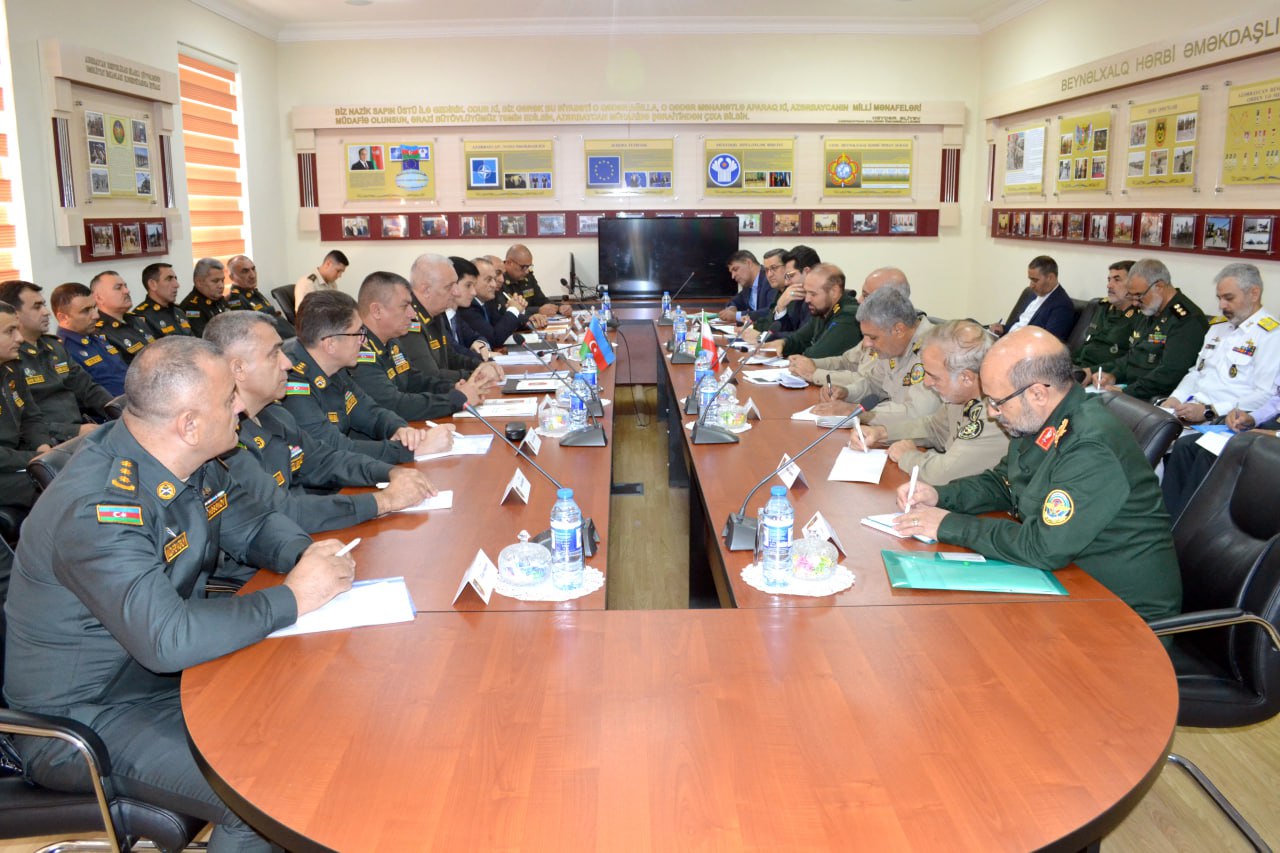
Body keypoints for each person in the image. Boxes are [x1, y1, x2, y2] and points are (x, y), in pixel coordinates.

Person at [3, 336, 355, 853]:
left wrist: (307, 557)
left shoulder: (185, 457)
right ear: (188, 424)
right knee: (263, 791)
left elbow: (254, 524)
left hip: (157, 682)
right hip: (84, 720)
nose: (241, 408)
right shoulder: (99, 508)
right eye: (229, 398)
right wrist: (294, 598)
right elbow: (166, 639)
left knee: (312, 711)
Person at [892, 327, 1182, 622]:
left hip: (1121, 613)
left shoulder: (1090, 445)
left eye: (997, 402)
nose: (991, 413)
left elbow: (1043, 546)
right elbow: (1003, 483)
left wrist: (948, 524)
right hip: (1070, 581)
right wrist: (940, 496)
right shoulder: (1039, 420)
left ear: (1038, 393)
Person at [203, 311, 438, 536]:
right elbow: (283, 511)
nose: (287, 363)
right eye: (274, 354)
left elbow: (326, 460)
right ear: (238, 369)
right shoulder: (225, 443)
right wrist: (384, 501)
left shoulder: (274, 415)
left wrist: (391, 472)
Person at [280, 289, 439, 463]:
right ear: (330, 344)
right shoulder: (292, 383)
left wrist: (399, 429)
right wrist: (408, 451)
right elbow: (333, 448)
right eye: (357, 333)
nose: (363, 340)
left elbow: (369, 412)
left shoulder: (334, 367)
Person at [849, 320, 1007, 485]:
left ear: (966, 378)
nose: (927, 382)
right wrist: (881, 433)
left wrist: (908, 456)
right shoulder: (960, 397)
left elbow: (943, 474)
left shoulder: (994, 414)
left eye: (934, 376)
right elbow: (934, 428)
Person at [349, 270, 494, 420]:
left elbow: (415, 381)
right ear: (377, 311)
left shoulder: (392, 342)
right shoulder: (358, 351)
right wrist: (455, 399)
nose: (412, 314)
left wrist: (455, 389)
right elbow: (395, 405)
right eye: (404, 306)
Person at [1160, 263, 1279, 424]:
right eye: (1219, 298)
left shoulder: (1271, 335)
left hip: (1225, 419)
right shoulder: (1218, 328)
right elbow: (1196, 372)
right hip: (1190, 409)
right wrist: (1176, 398)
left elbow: (1265, 395)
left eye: (1229, 298)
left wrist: (1211, 410)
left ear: (1254, 294)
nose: (1221, 305)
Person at [0, 280, 115, 441]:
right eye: (37, 307)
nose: (46, 312)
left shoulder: (54, 346)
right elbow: (24, 422)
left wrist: (118, 410)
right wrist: (73, 431)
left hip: (79, 432)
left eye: (44, 305)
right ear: (15, 313)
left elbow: (88, 389)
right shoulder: (9, 358)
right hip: (47, 439)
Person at [808, 286, 940, 424]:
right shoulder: (893, 345)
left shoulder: (936, 349)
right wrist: (846, 392)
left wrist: (853, 412)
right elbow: (874, 384)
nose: (866, 344)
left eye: (873, 337)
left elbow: (916, 413)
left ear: (898, 330)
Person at [1085, 258, 1208, 401]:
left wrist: (1126, 392)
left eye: (1139, 295)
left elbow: (1170, 374)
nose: (1135, 303)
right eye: (1131, 296)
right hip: (1130, 389)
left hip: (1153, 397)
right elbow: (1133, 356)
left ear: (1159, 286)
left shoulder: (1186, 320)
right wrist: (1113, 375)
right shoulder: (1150, 309)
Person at [1161, 383, 1280, 520]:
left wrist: (1275, 434)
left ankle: (1188, 524)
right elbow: (1277, 401)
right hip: (1271, 426)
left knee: (1211, 454)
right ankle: (1164, 521)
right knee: (1187, 446)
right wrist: (1252, 418)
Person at [790, 266, 912, 391]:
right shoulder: (875, 326)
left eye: (866, 296)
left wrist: (814, 374)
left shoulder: (895, 335)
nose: (859, 300)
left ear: (892, 300)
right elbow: (847, 361)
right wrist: (810, 363)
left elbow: (867, 381)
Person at [0, 301, 52, 514]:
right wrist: (33, 458)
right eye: (10, 331)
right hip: (7, 468)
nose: (20, 338)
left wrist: (43, 447)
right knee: (55, 488)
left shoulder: (12, 368)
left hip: (16, 459)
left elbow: (31, 417)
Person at [52, 282, 128, 397]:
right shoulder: (62, 350)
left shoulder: (96, 337)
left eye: (94, 308)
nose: (96, 316)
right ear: (63, 318)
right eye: (86, 310)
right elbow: (85, 395)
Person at [771, 263, 861, 359]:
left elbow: (817, 354)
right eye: (806, 292)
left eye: (813, 294)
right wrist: (783, 343)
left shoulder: (848, 316)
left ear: (834, 292)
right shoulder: (822, 310)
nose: (807, 299)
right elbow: (799, 339)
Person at [1072, 260, 1138, 371]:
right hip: (1080, 368)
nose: (1109, 285)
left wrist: (1090, 372)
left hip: (1104, 375)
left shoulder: (1140, 317)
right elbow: (1086, 345)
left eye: (1117, 280)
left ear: (1134, 284)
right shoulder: (1102, 307)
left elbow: (1131, 361)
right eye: (1109, 280)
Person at [990, 255, 1075, 341]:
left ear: (1050, 278)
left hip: (1021, 346)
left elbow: (1048, 342)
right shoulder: (1031, 294)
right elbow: (1021, 323)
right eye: (1030, 280)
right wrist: (1003, 329)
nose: (1031, 285)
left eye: (1035, 280)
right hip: (1007, 340)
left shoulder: (1062, 305)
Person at [460, 254, 534, 347]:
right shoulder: (467, 307)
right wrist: (513, 310)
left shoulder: (487, 302)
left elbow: (502, 327)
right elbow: (494, 339)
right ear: (473, 281)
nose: (494, 285)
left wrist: (519, 309)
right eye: (488, 280)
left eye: (494, 279)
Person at [745, 245, 817, 339]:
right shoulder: (794, 293)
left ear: (807, 272)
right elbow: (785, 328)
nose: (786, 282)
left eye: (791, 276)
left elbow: (802, 338)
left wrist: (762, 337)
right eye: (766, 270)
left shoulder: (815, 300)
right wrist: (781, 307)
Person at [89, 270, 154, 362]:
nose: (127, 291)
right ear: (99, 298)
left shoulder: (136, 319)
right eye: (118, 288)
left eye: (125, 286)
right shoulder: (99, 332)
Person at [226, 254, 295, 338]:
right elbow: (247, 333)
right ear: (232, 277)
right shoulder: (235, 299)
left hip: (290, 334)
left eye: (253, 269)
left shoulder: (253, 292)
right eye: (245, 271)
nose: (252, 275)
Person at [503, 243, 570, 317]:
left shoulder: (528, 277)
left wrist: (559, 308)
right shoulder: (499, 280)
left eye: (529, 267)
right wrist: (538, 310)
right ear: (509, 263)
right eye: (524, 267)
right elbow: (504, 311)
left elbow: (542, 301)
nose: (527, 271)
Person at [131, 262, 193, 338]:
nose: (177, 285)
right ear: (153, 284)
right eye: (169, 279)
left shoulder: (178, 311)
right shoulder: (141, 318)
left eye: (175, 279)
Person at [178, 257, 230, 337]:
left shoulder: (220, 300)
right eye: (215, 281)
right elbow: (202, 339)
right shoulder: (192, 307)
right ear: (199, 283)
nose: (221, 286)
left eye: (222, 280)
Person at [718, 250, 772, 323]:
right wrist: (732, 308)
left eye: (735, 269)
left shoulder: (770, 279)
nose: (733, 276)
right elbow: (734, 301)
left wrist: (736, 316)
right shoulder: (747, 285)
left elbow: (770, 311)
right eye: (731, 272)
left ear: (748, 263)